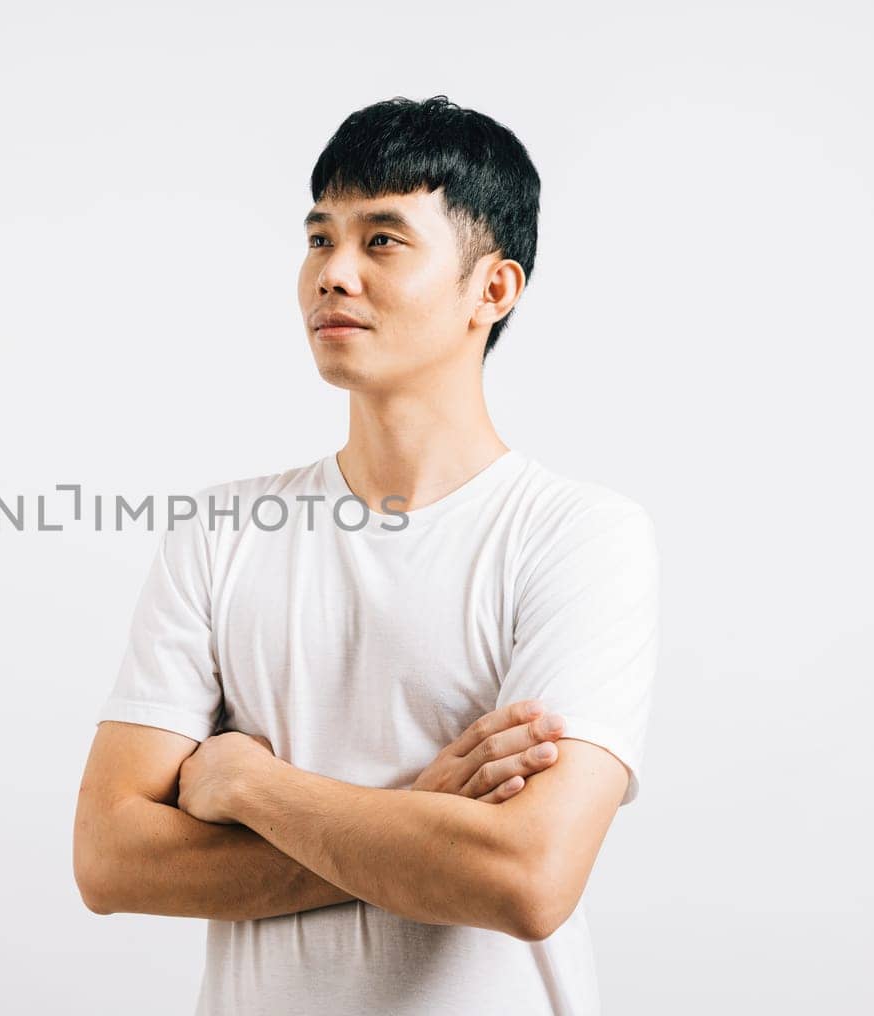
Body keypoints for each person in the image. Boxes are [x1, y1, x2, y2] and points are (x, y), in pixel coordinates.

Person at [72, 94, 661, 1015]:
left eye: (382, 240)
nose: (332, 274)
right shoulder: (223, 532)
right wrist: (423, 815)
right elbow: (110, 861)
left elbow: (529, 879)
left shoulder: (578, 535)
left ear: (492, 290)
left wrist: (252, 783)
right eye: (319, 239)